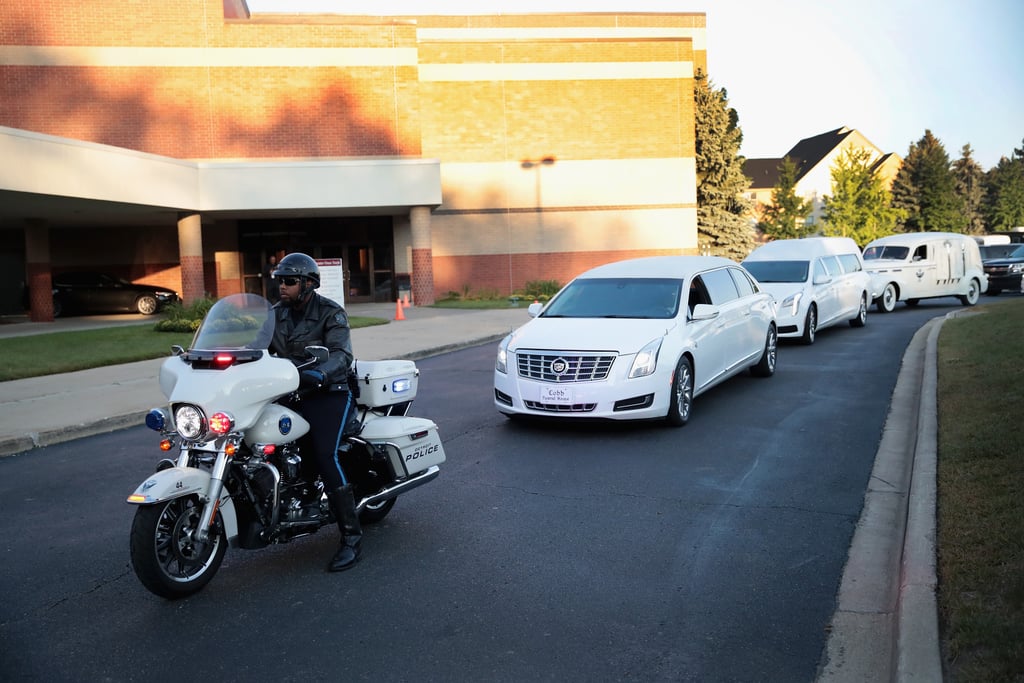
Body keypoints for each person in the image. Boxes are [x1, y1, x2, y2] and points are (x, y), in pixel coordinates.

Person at [269, 252, 361, 572]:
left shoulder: (330, 313)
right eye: (280, 280)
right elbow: (254, 347)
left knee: (325, 454)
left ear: (308, 284)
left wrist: (321, 373)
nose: (283, 286)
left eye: (290, 281)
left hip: (329, 391)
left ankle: (351, 538)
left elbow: (341, 355)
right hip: (288, 391)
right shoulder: (274, 314)